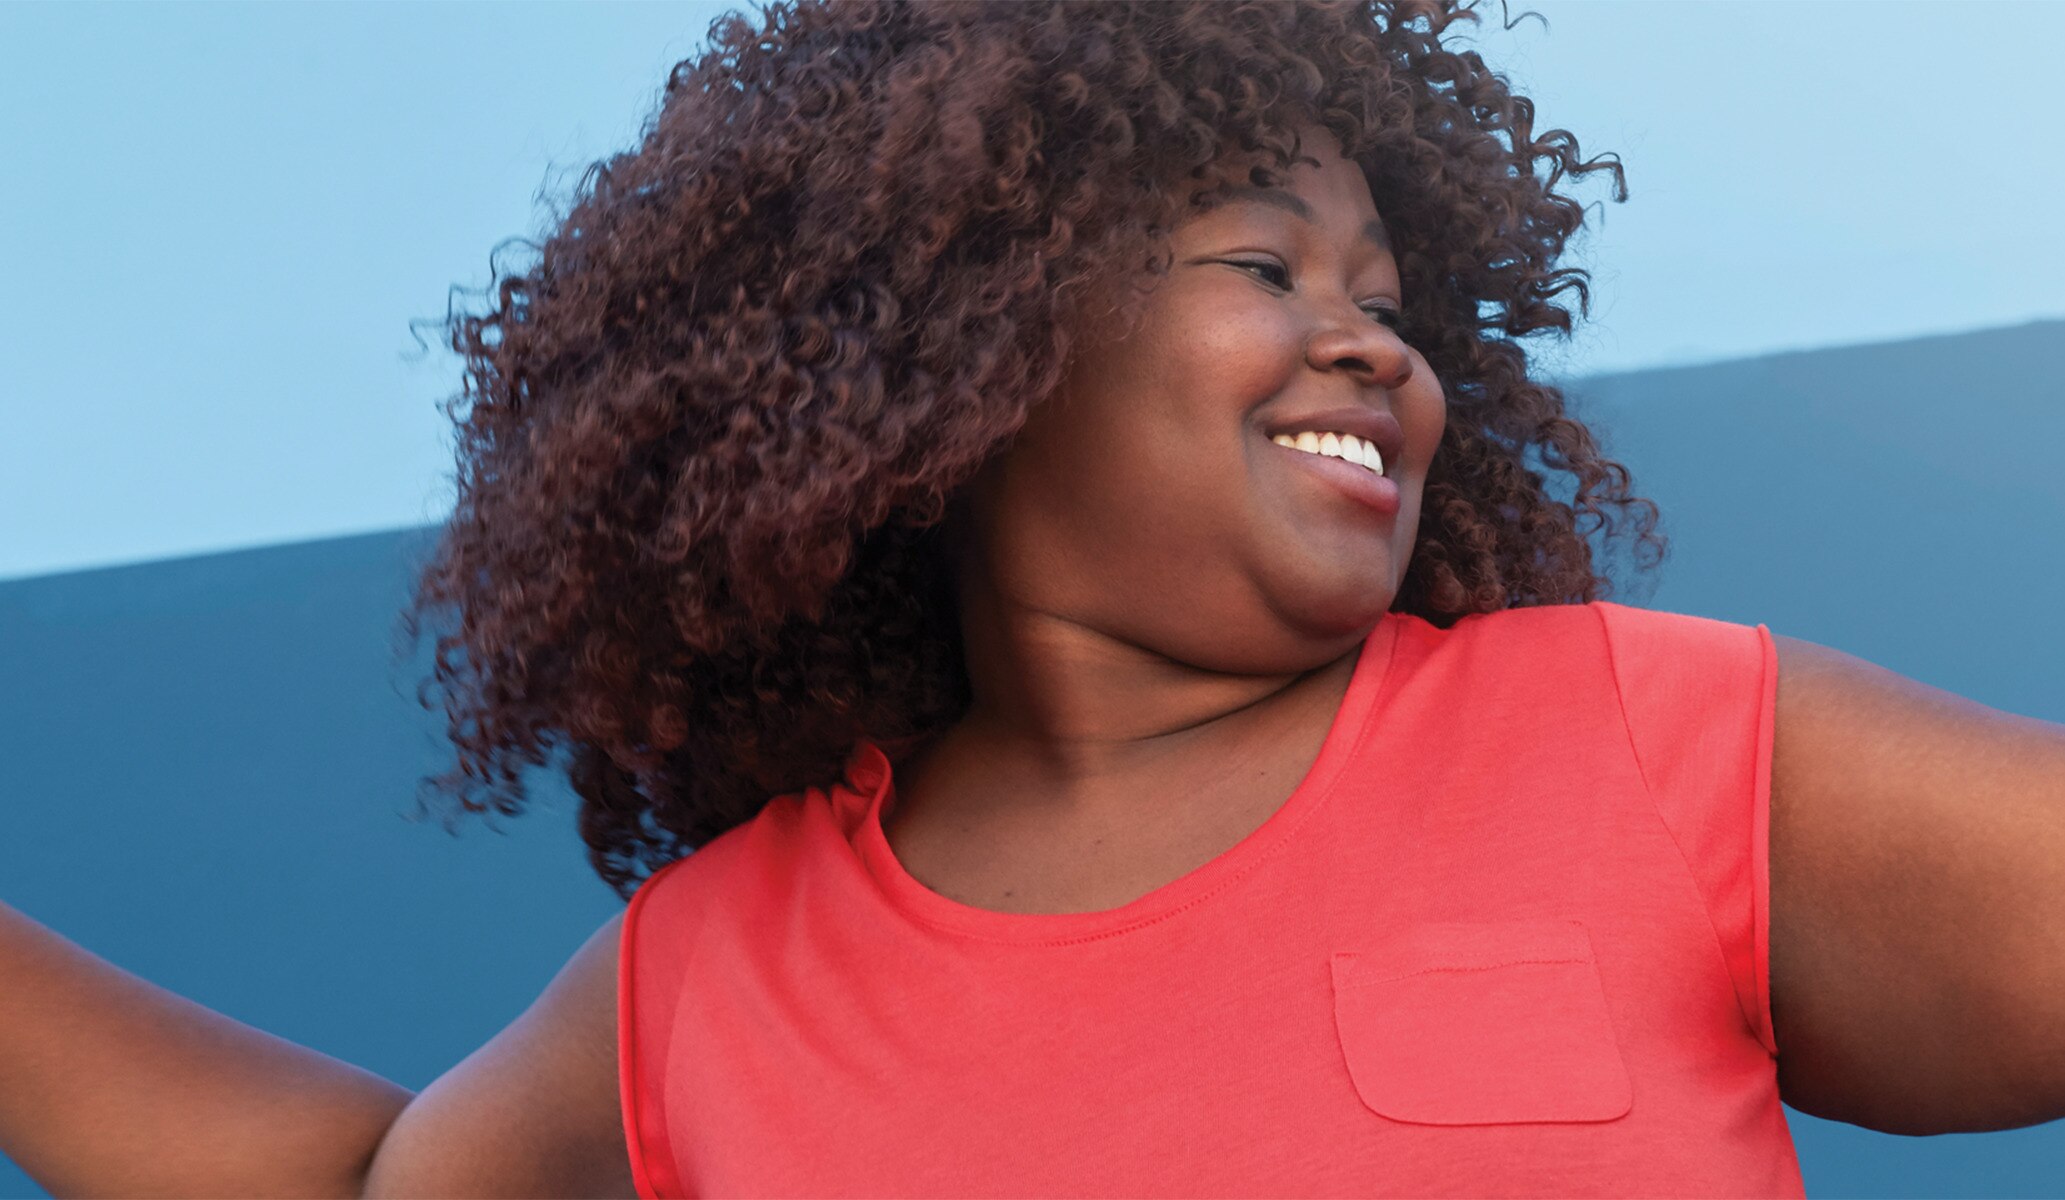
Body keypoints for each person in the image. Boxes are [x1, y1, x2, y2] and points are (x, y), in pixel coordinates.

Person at [4, 0, 2062, 1196]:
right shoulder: (711, 977)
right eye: (1265, 270)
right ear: (971, 345)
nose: (1374, 350)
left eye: (1391, 304)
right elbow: (366, 1191)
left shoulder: (1625, 732)